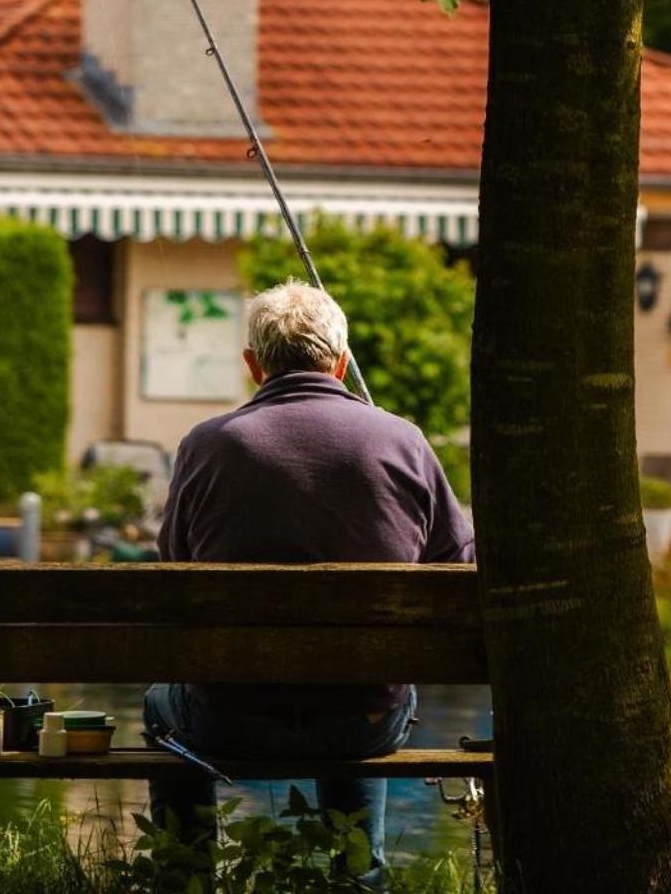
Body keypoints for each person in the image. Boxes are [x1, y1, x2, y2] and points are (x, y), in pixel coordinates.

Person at [144, 281, 473, 886]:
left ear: (253, 365)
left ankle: (186, 874)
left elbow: (175, 567)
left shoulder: (206, 444)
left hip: (229, 717)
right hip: (364, 721)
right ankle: (358, 874)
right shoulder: (405, 440)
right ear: (342, 361)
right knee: (362, 680)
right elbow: (458, 565)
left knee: (159, 705)